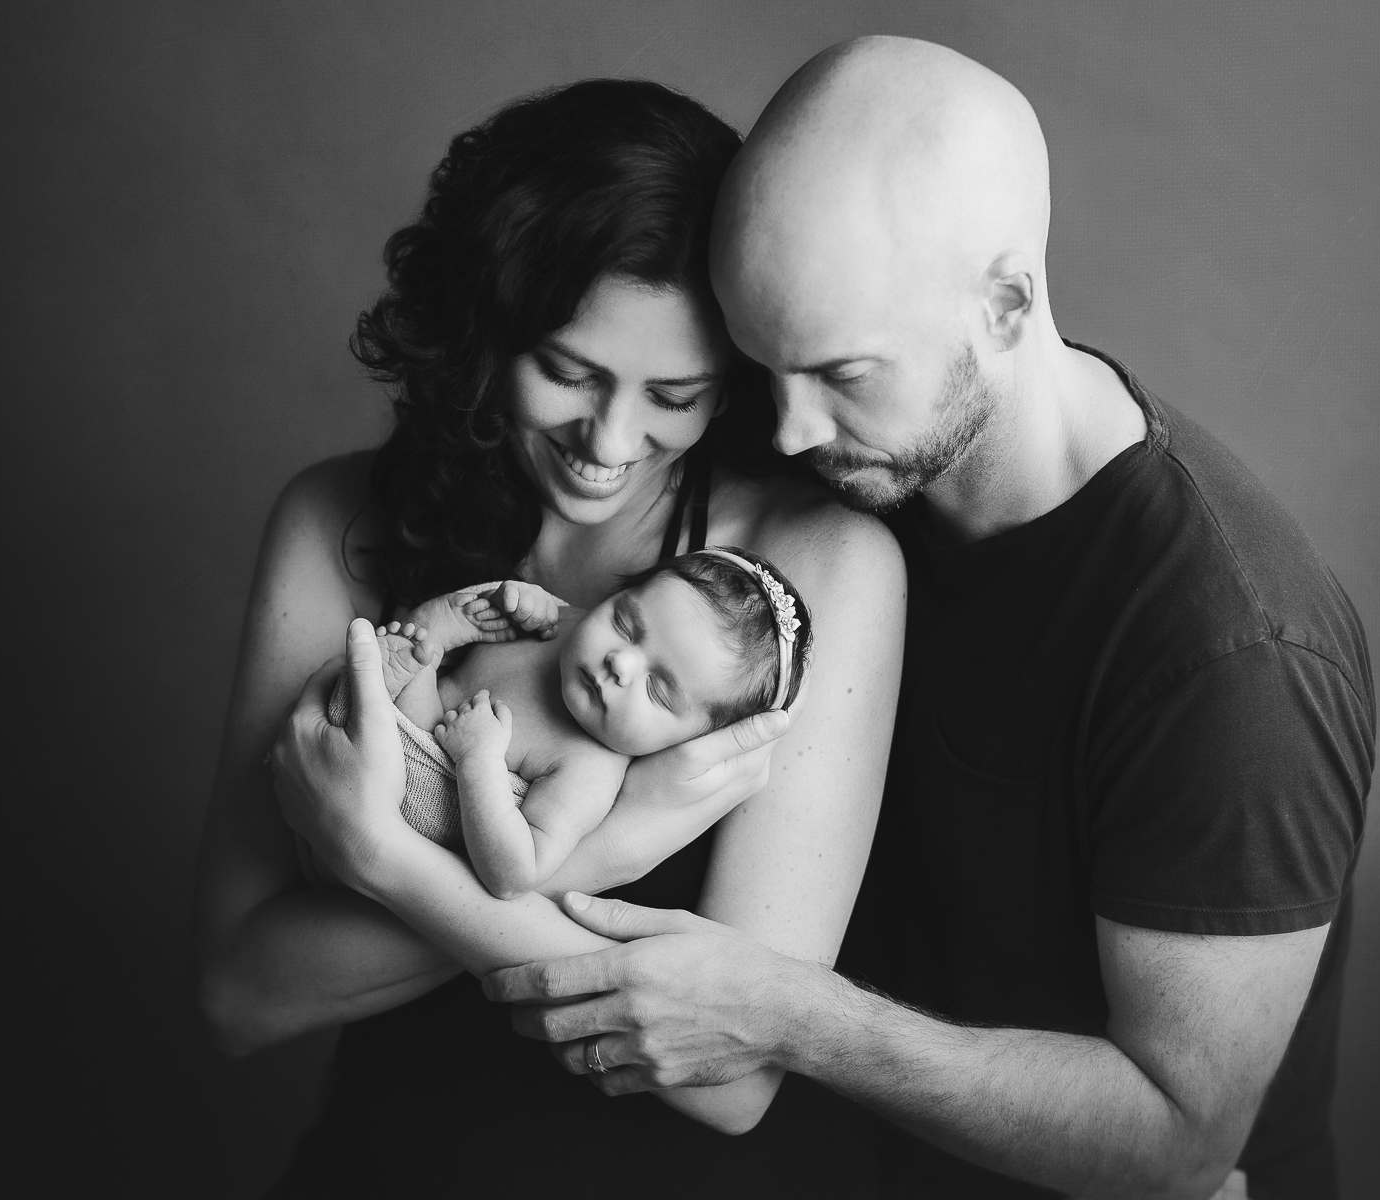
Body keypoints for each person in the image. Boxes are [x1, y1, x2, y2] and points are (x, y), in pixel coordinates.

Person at [482, 38, 1374, 1200]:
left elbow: (1175, 1139)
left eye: (843, 373)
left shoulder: (1232, 654)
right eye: (762, 365)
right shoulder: (860, 473)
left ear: (1006, 305)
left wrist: (797, 1019)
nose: (789, 429)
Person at [193, 78, 905, 1194]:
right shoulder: (339, 523)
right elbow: (244, 992)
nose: (611, 441)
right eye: (568, 374)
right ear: (485, 327)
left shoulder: (813, 572)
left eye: (676, 395)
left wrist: (384, 863)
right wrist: (604, 857)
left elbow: (730, 1078)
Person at [311, 550, 813, 900]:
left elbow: (515, 872)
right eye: (624, 623)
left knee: (395, 716)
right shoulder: (568, 625)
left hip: (418, 797)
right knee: (420, 646)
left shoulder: (591, 770)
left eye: (658, 690)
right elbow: (509, 616)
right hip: (389, 731)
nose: (621, 663)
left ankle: (403, 676)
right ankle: (417, 655)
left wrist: (479, 762)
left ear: (684, 743)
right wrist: (510, 604)